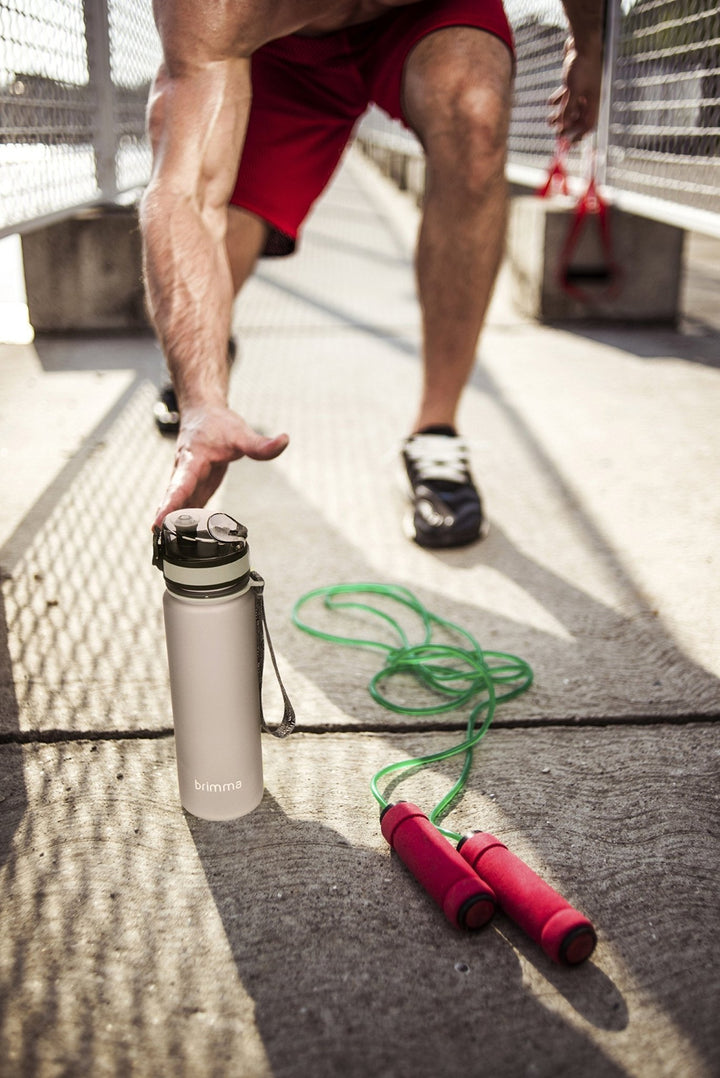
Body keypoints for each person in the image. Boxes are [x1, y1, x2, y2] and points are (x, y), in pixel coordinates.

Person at [141, 0, 603, 547]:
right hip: (280, 41)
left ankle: (436, 433)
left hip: (430, 13)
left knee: (474, 112)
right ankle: (208, 355)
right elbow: (185, 195)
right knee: (236, 226)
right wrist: (202, 400)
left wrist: (589, 44)